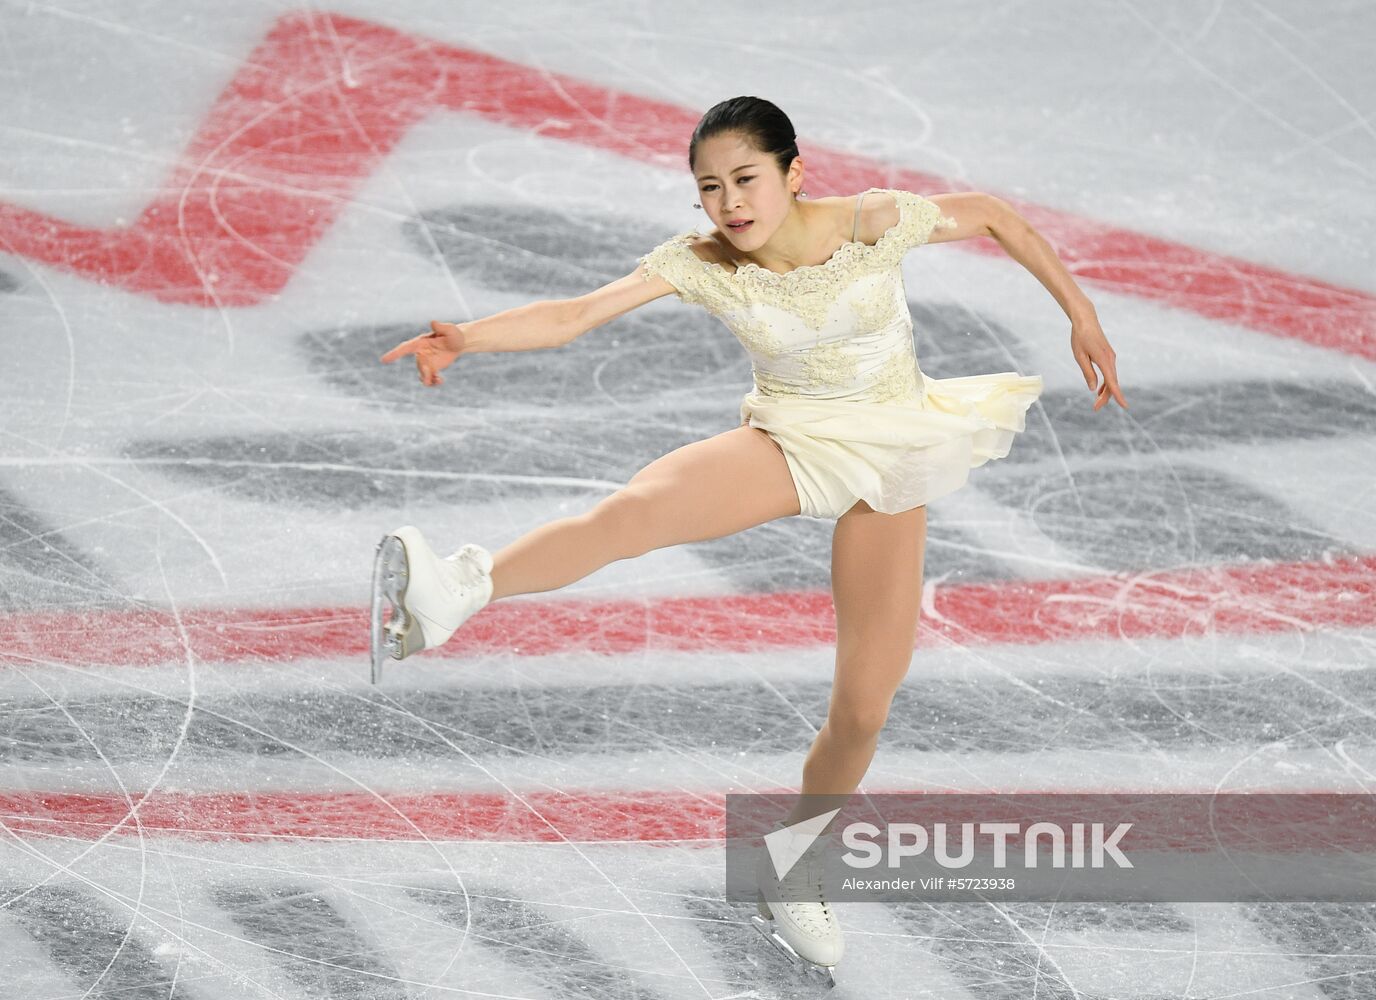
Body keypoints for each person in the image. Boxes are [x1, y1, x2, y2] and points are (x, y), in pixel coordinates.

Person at [371, 95, 1126, 980]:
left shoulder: (870, 222)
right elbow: (575, 314)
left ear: (793, 173)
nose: (730, 202)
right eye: (710, 188)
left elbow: (995, 215)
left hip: (892, 454)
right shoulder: (702, 263)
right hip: (792, 436)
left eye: (745, 179)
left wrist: (1081, 313)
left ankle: (796, 859)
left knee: (864, 707)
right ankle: (464, 584)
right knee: (634, 514)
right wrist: (468, 337)